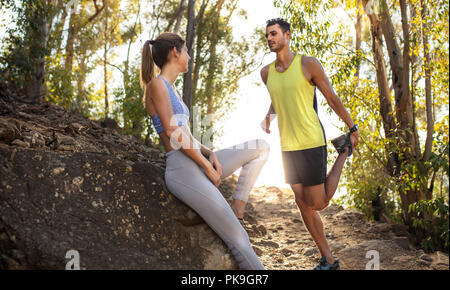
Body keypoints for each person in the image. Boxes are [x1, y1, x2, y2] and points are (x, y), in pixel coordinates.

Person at [140, 32, 269, 270]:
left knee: (260, 147)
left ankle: (237, 209)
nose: (189, 56)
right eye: (186, 50)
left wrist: (210, 153)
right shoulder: (157, 85)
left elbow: (186, 134)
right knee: (239, 240)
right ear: (175, 52)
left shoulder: (173, 89)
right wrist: (206, 165)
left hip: (195, 161)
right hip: (182, 170)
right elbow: (173, 133)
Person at [260, 18, 359, 270]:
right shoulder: (266, 73)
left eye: (274, 34)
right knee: (301, 202)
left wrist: (352, 127)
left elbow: (331, 97)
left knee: (319, 203)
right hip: (287, 146)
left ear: (287, 35)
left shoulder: (308, 64)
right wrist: (269, 117)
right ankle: (328, 259)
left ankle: (343, 152)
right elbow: (279, 97)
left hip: (311, 141)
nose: (270, 38)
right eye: (268, 35)